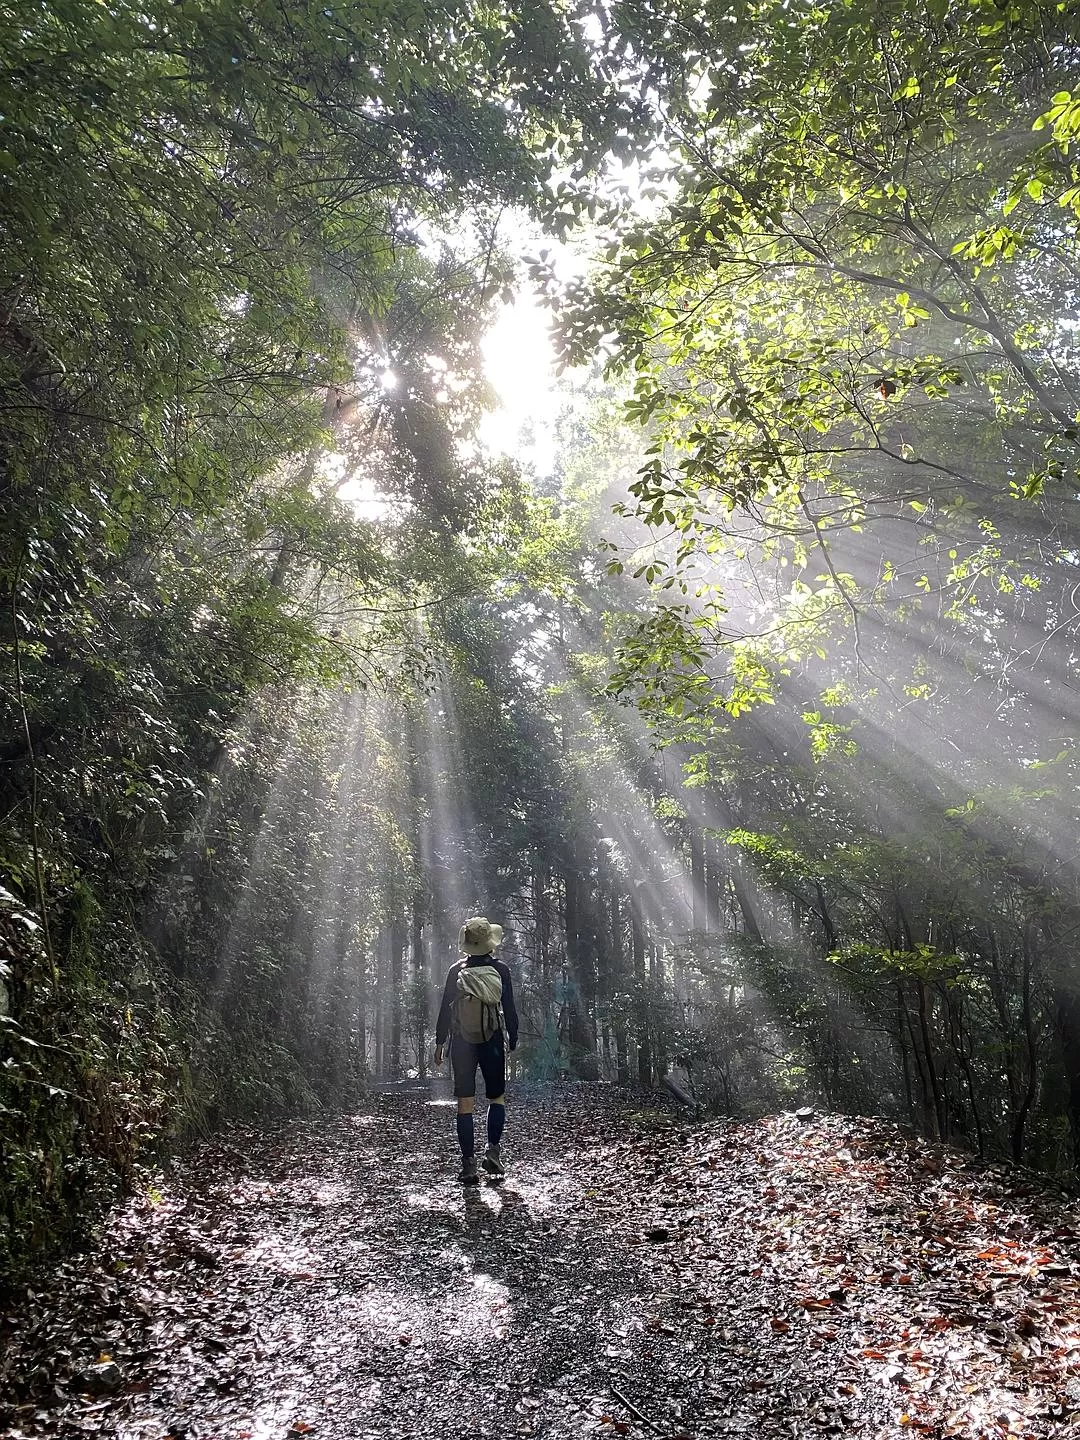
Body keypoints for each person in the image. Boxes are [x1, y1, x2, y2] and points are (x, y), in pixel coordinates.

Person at [434, 915, 518, 1184]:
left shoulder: (455, 971)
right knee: (497, 1098)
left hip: (462, 1043)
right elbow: (510, 1009)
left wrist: (440, 1042)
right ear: (489, 943)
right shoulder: (501, 970)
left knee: (465, 1104)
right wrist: (512, 1037)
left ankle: (468, 1164)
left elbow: (445, 1010)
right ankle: (493, 1152)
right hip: (491, 1041)